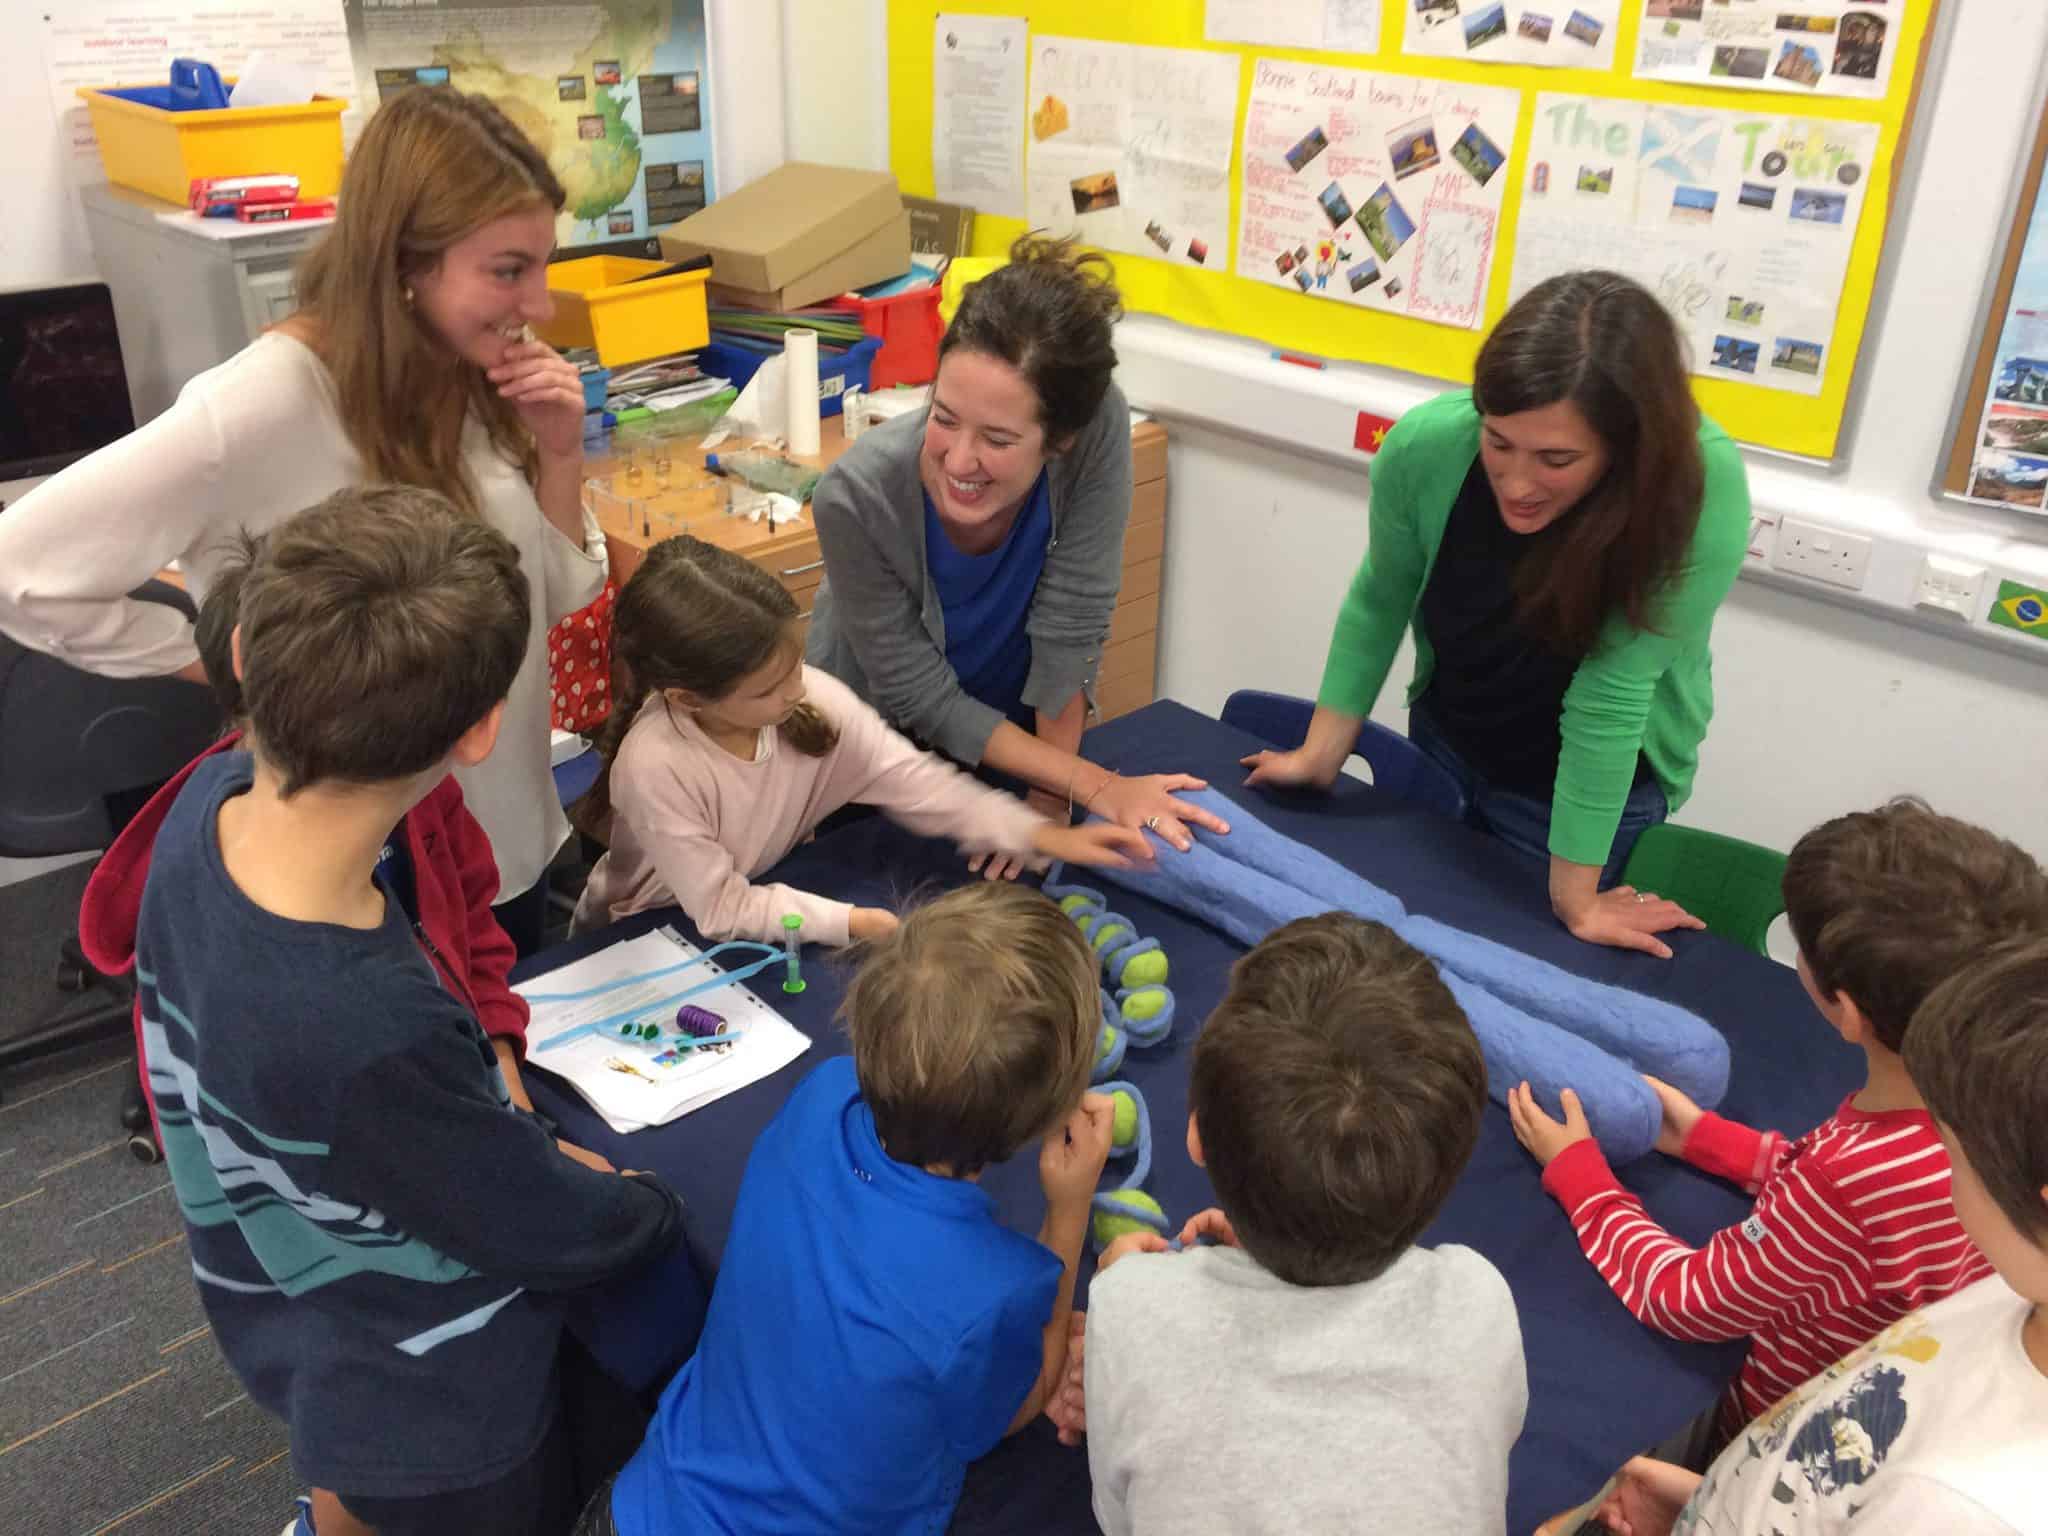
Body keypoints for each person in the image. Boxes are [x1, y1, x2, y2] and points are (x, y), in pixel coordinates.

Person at [134, 488, 684, 1536]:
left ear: (242, 651)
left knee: (345, 1455)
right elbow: (530, 1219)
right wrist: (648, 1211)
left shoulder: (205, 807)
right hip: (437, 1397)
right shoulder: (361, 1023)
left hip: (288, 1285)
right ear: (479, 734)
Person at [0, 88, 601, 955]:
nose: (539, 304)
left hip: (505, 822)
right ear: (403, 262)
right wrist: (240, 669)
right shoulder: (261, 402)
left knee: (511, 1031)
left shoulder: (470, 370)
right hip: (367, 863)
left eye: (543, 265)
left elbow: (549, 599)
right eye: (509, 271)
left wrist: (558, 452)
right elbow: (22, 569)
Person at [1508, 799, 2046, 1467]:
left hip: (1769, 1434)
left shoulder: (1851, 1175)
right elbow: (1858, 1216)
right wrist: (1707, 1139)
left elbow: (1685, 1301)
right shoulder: (1988, 1115)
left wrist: (1582, 1178)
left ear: (1846, 1011)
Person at [574, 882, 1113, 1535]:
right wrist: (1068, 1211)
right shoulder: (993, 1291)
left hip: (642, 1509)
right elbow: (1015, 1406)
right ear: (1036, 1115)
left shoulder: (823, 1095)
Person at [1243, 271, 1752, 958]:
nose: (1517, 482)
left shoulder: (1696, 486)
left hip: (1585, 793)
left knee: (1533, 966)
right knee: (1410, 954)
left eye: (1556, 459)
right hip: (1451, 737)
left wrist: (1576, 900)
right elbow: (1381, 596)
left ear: (1626, 445)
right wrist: (1320, 752)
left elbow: (1612, 689)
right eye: (1499, 443)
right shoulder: (1426, 446)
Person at [78, 532, 602, 1160]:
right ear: (482, 727)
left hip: (454, 1098)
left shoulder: (418, 793)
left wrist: (509, 1093)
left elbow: (472, 928)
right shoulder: (327, 1006)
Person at [1541, 935, 2048, 1536]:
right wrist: (1713, 1504)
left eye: (1950, 1148)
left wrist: (1584, 1182)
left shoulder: (1951, 1506)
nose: (1933, 1152)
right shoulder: (2011, 1289)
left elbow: (1690, 1301)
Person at [1075, 914, 1527, 1534]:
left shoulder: (1127, 1304)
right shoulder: (1479, 1302)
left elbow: (1118, 1515)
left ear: (1196, 1134)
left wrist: (1130, 1290)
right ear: (1452, 1171)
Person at [806, 234, 1230, 872]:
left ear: (1060, 440)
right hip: (880, 761)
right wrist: (1097, 786)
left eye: (998, 440)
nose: (959, 460)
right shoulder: (856, 497)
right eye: (943, 417)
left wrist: (1050, 799)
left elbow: (1071, 626)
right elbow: (921, 696)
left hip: (1015, 744)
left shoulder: (1096, 429)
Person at [574, 535, 1152, 946]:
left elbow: (920, 785)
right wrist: (851, 923)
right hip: (647, 936)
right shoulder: (655, 766)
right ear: (688, 698)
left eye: (795, 666)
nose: (796, 690)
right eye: (768, 689)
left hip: (753, 907)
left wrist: (1041, 834)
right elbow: (722, 907)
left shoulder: (810, 700)